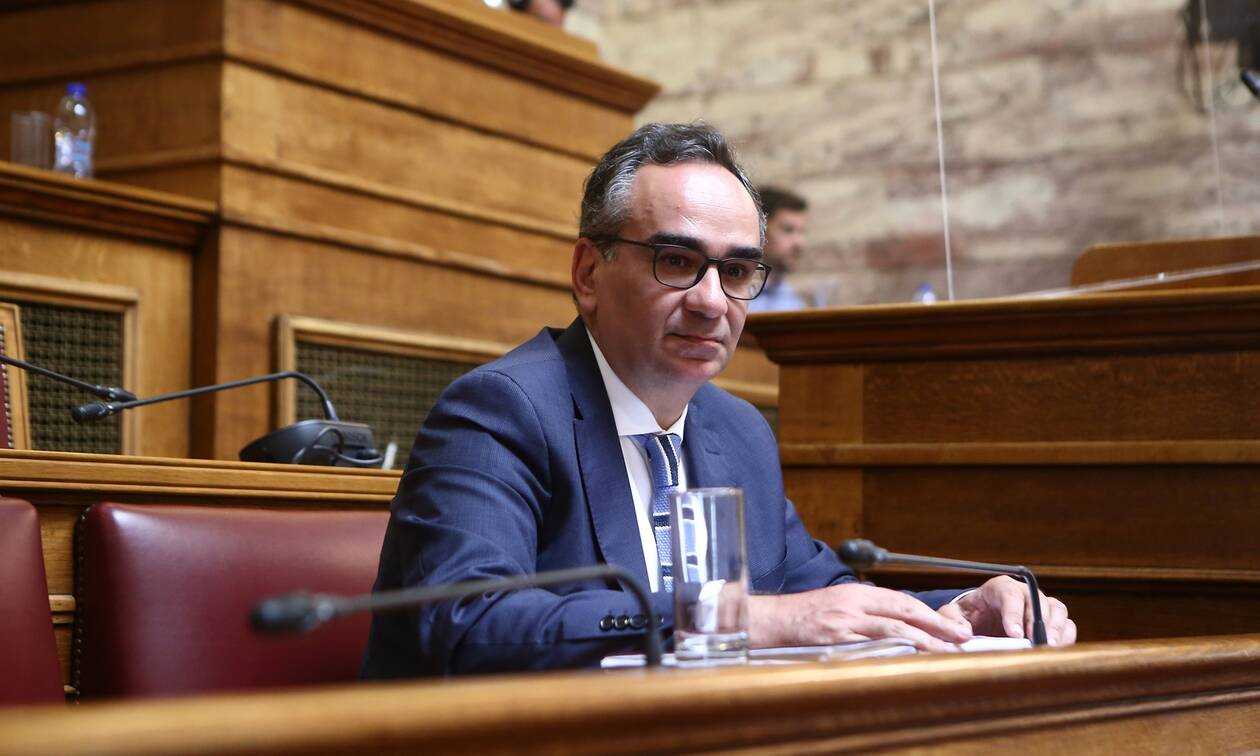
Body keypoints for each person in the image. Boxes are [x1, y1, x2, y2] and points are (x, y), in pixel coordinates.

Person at [362, 123, 1074, 678]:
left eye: (736, 271)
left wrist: (957, 613)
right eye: (677, 261)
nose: (711, 302)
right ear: (588, 273)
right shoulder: (501, 411)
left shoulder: (737, 431)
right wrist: (742, 619)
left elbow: (818, 595)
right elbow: (469, 625)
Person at [747, 186, 809, 312]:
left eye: (801, 232)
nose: (799, 243)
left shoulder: (793, 303)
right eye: (788, 230)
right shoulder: (732, 295)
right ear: (759, 230)